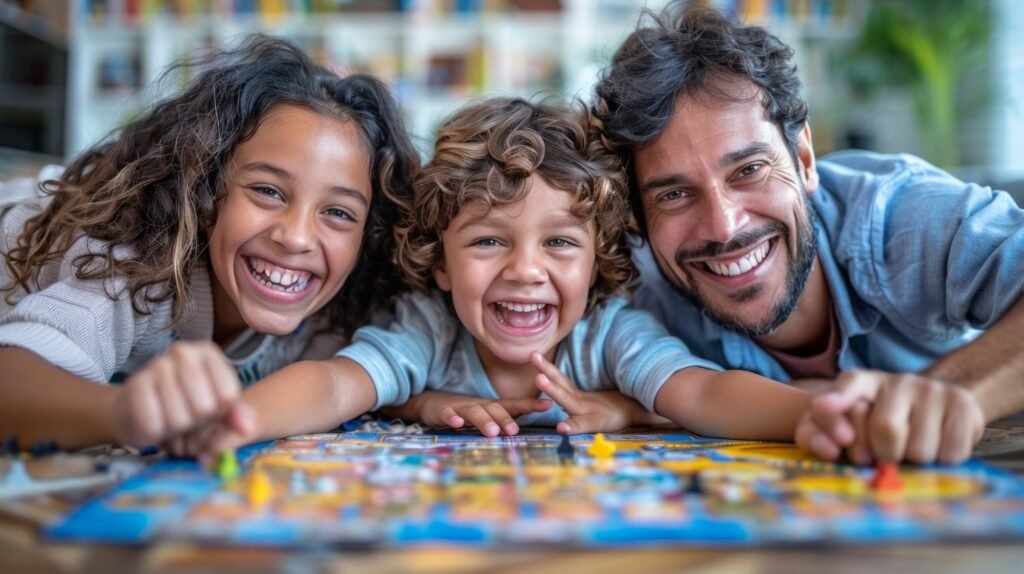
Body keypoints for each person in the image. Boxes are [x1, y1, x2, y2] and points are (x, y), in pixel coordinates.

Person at [190, 97, 812, 455]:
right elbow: (331, 385)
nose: (525, 271)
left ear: (597, 259)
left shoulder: (608, 334)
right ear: (439, 260)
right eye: (489, 240)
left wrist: (820, 416)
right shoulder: (427, 330)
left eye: (561, 243)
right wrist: (235, 420)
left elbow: (706, 393)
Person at [591, 4, 1024, 465]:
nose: (723, 227)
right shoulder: (636, 298)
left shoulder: (905, 216)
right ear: (638, 216)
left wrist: (948, 395)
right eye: (674, 195)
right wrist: (638, 406)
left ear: (804, 160)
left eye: (750, 169)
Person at [0, 35, 419, 452]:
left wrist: (425, 400)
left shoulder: (340, 313)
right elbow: (11, 387)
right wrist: (126, 412)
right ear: (202, 190)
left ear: (369, 236)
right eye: (268, 191)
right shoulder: (129, 257)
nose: (295, 237)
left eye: (339, 213)